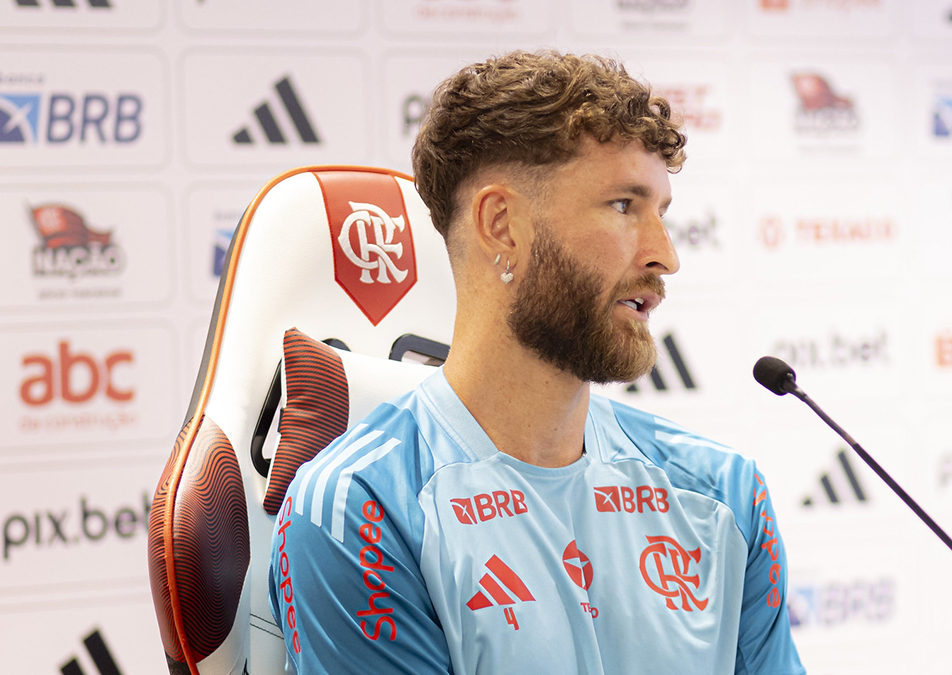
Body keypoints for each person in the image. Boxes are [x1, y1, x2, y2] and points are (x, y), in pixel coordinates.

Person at [269, 50, 805, 675]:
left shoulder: (723, 494)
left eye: (661, 213)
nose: (666, 255)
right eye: (624, 206)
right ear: (502, 225)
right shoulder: (358, 510)